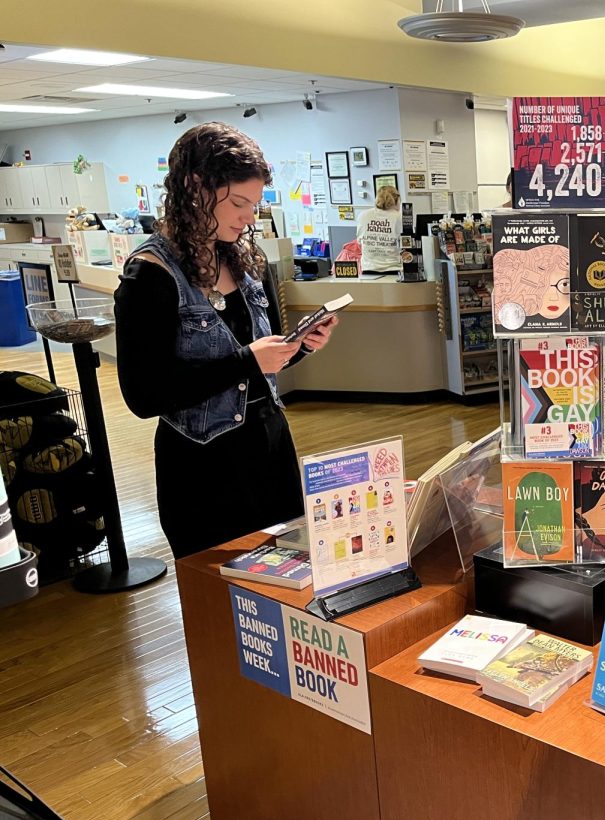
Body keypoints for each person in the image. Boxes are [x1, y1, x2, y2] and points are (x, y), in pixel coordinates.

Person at [114, 122, 338, 559]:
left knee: (284, 589)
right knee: (218, 600)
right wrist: (247, 362)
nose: (248, 217)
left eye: (254, 205)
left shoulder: (245, 261)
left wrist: (301, 346)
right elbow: (144, 396)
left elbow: (260, 363)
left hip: (270, 452)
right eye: (238, 203)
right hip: (202, 470)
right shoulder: (150, 276)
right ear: (194, 187)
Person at [356, 185, 405, 273]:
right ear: (397, 200)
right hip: (393, 268)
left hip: (368, 268)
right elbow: (405, 243)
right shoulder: (399, 217)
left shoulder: (363, 215)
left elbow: (359, 241)